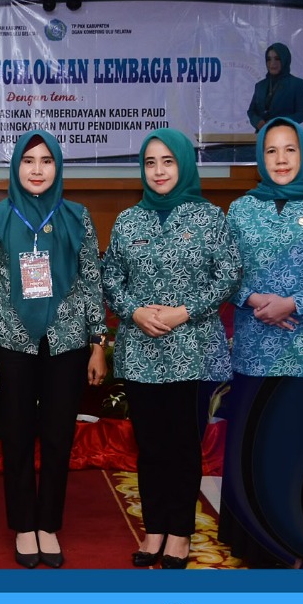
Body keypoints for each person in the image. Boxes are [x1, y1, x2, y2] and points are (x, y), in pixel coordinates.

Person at [101, 129, 240, 569]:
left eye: (168, 161)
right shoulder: (129, 220)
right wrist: (134, 311)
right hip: (141, 352)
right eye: (150, 162)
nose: (159, 171)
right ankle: (155, 529)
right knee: (151, 447)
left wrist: (185, 312)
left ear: (183, 165)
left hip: (193, 351)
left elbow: (229, 274)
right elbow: (110, 278)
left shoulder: (210, 217)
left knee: (183, 447)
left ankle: (180, 533)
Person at [220, 118, 303, 568]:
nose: (281, 159)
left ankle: (296, 546)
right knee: (258, 450)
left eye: (290, 150)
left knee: (299, 452)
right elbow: (224, 271)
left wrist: (293, 303)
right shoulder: (241, 209)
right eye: (272, 151)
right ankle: (255, 542)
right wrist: (254, 299)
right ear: (260, 156)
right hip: (254, 353)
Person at [0, 130, 108, 569]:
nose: (36, 169)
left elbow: (91, 281)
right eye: (28, 161)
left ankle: (48, 523)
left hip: (67, 342)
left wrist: (98, 343)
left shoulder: (78, 217)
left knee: (57, 436)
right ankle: (24, 524)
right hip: (11, 341)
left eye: (46, 161)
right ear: (15, 167)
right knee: (14, 436)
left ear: (58, 167)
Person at [246, 42, 303, 130]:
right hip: (262, 134)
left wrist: (280, 122)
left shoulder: (297, 84)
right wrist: (258, 122)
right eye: (269, 59)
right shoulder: (260, 85)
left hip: (286, 134)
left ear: (285, 60)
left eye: (277, 59)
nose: (272, 63)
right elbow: (251, 111)